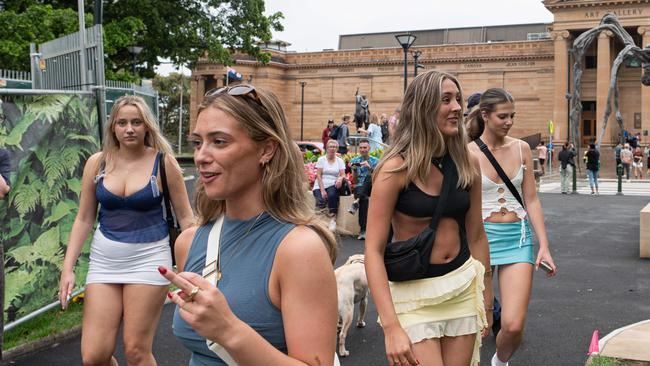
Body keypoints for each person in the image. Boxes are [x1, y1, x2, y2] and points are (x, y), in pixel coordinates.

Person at [159, 84, 338, 365]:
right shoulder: (189, 242)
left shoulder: (299, 249)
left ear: (266, 149)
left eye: (219, 141)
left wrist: (230, 331)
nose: (201, 156)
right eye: (198, 142)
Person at [365, 71, 493, 366]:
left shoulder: (467, 162)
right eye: (445, 100)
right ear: (423, 107)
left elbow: (476, 235)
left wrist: (486, 297)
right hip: (413, 297)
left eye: (458, 99)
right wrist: (391, 326)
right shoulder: (394, 169)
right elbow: (372, 250)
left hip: (461, 287)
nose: (457, 107)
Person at [58, 95, 194, 365]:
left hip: (149, 261)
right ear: (113, 127)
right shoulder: (97, 163)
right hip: (104, 263)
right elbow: (84, 218)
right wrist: (68, 267)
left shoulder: (164, 163)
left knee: (136, 351)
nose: (129, 128)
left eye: (136, 122)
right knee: (94, 356)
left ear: (146, 127)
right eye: (122, 122)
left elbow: (187, 220)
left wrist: (191, 271)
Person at [466, 87, 556, 366]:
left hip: (518, 239)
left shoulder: (522, 148)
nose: (509, 122)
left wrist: (544, 245)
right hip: (480, 241)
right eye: (503, 116)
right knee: (478, 325)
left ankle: (500, 362)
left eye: (512, 116)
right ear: (485, 115)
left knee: (513, 325)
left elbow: (531, 199)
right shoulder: (466, 152)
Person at [347, 139, 378, 240]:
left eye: (365, 147)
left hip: (372, 185)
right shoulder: (355, 161)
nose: (362, 149)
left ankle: (356, 201)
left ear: (369, 148)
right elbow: (355, 181)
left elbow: (377, 178)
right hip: (360, 188)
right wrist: (355, 171)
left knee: (369, 177)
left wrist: (370, 168)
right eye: (360, 147)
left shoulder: (376, 161)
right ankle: (363, 230)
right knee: (364, 199)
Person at [313, 139, 347, 231]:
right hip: (320, 183)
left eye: (335, 147)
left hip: (333, 183)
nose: (333, 148)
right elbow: (318, 175)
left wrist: (340, 178)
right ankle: (318, 222)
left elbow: (343, 174)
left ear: (337, 149)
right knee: (321, 199)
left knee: (332, 195)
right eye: (331, 147)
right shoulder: (321, 159)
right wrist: (322, 190)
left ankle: (333, 219)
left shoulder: (339, 161)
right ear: (327, 148)